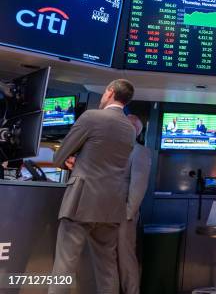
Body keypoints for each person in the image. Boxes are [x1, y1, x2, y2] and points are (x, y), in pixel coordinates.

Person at [49, 79, 136, 294]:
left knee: (65, 265)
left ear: (109, 92)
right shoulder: (130, 128)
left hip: (81, 202)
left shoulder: (91, 117)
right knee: (107, 268)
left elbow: (60, 156)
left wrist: (68, 161)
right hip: (112, 206)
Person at [118, 115, 152, 294]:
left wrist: (129, 213)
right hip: (100, 211)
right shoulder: (108, 148)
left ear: (135, 130)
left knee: (125, 258)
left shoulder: (140, 151)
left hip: (124, 214)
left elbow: (138, 186)